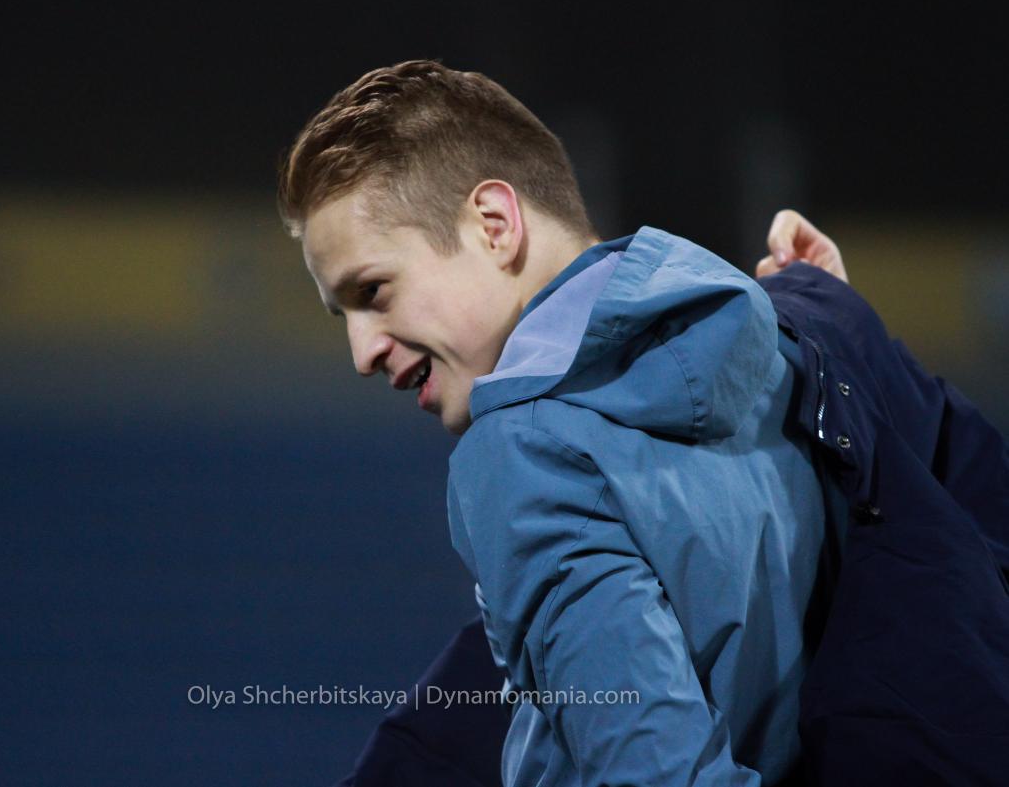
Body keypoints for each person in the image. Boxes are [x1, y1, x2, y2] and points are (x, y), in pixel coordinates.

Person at [277, 60, 1009, 786]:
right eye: (345, 316)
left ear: (494, 225)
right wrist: (843, 330)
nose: (362, 353)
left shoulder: (523, 451)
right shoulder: (808, 342)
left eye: (373, 292)